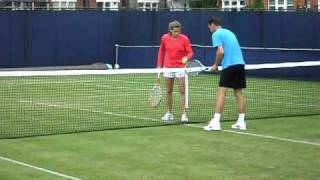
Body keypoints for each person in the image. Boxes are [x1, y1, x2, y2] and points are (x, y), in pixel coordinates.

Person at [204, 17, 247, 131]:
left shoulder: (216, 34)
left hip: (229, 66)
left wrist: (215, 65)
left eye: (209, 28)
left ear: (213, 25)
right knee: (238, 93)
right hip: (240, 65)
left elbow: (221, 51)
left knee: (221, 93)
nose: (210, 30)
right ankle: (241, 122)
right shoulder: (230, 32)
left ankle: (216, 122)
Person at [156, 20, 193, 123]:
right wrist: (159, 65)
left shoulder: (185, 39)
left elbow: (190, 52)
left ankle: (184, 114)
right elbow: (161, 51)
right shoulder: (164, 38)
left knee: (182, 91)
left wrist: (186, 57)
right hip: (168, 67)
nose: (177, 33)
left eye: (178, 31)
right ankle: (169, 113)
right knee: (169, 91)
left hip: (181, 67)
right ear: (170, 30)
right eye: (175, 31)